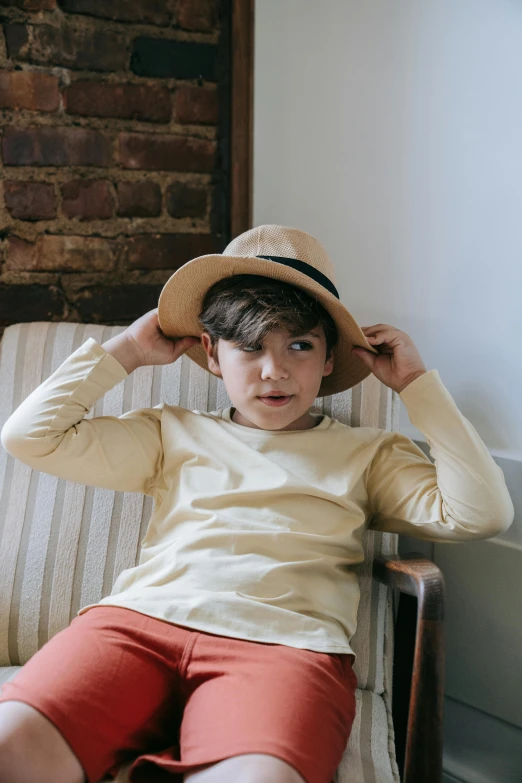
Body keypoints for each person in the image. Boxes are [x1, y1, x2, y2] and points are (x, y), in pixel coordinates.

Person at [0, 225, 514, 783]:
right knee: (11, 746)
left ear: (327, 357)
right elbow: (31, 437)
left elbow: (481, 512)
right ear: (211, 353)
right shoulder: (172, 433)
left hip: (284, 649)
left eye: (299, 344)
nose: (275, 370)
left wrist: (415, 383)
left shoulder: (367, 454)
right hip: (138, 627)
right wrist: (126, 351)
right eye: (249, 346)